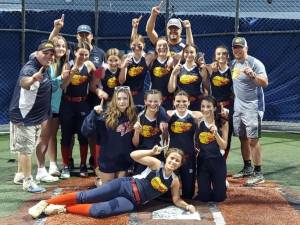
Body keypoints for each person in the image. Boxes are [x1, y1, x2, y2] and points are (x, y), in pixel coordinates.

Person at [28, 145, 196, 219]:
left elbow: (176, 199)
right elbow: (134, 156)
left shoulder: (174, 181)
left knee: (99, 212)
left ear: (180, 165)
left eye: (177, 161)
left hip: (132, 202)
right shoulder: (156, 164)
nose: (173, 162)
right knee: (88, 196)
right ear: (167, 158)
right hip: (124, 185)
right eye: (172, 158)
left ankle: (63, 208)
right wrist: (151, 152)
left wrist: (186, 206)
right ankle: (45, 203)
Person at [9, 41, 55, 192]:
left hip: (35, 115)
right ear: (37, 53)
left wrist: (56, 29)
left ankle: (20, 175)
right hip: (24, 115)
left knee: (26, 147)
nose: (48, 56)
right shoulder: (30, 68)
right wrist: (34, 79)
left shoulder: (43, 63)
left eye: (51, 54)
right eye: (45, 53)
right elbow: (24, 82)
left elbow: (47, 45)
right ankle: (28, 182)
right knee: (26, 150)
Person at [59, 41, 107, 179]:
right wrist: (71, 74)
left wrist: (101, 73)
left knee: (83, 135)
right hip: (68, 103)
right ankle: (65, 165)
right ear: (75, 53)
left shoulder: (89, 64)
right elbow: (63, 87)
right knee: (66, 136)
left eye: (86, 54)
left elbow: (98, 76)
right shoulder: (68, 65)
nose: (83, 57)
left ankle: (83, 165)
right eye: (81, 54)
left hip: (83, 103)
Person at [230, 37, 268, 186]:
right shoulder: (233, 64)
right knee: (243, 137)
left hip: (253, 106)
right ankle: (247, 167)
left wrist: (253, 76)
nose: (237, 50)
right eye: (235, 47)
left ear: (246, 48)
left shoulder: (254, 63)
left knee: (253, 140)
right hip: (238, 107)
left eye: (240, 47)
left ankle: (258, 173)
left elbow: (264, 83)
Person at [81, 86, 137, 184]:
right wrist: (93, 113)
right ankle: (99, 181)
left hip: (124, 160)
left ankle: (101, 178)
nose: (122, 102)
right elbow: (86, 131)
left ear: (129, 100)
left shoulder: (134, 113)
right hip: (108, 159)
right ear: (114, 100)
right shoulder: (105, 115)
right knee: (107, 189)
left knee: (120, 187)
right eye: (119, 99)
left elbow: (152, 107)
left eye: (125, 98)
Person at [166, 90, 202, 199]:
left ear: (189, 102)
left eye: (184, 101)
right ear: (173, 102)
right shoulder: (167, 115)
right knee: (168, 195)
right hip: (172, 158)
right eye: (178, 101)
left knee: (188, 194)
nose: (181, 104)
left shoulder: (196, 116)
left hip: (188, 157)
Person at [194, 96, 228, 202]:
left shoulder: (223, 123)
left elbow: (224, 146)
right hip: (203, 162)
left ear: (214, 108)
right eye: (203, 106)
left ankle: (222, 184)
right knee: (204, 198)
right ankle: (207, 187)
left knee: (219, 198)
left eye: (209, 106)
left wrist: (216, 133)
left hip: (217, 161)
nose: (205, 109)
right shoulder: (198, 122)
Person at [46, 35, 70, 178]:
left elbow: (63, 87)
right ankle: (51, 164)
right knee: (48, 136)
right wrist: (62, 77)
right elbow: (52, 85)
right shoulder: (49, 64)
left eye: (63, 46)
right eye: (58, 45)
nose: (61, 48)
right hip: (48, 106)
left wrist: (68, 76)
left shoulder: (65, 64)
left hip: (61, 105)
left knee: (58, 135)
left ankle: (64, 163)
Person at [132, 89, 168, 174]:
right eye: (150, 101)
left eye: (156, 101)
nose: (152, 104)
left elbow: (167, 141)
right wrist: (136, 132)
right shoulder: (139, 117)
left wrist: (165, 130)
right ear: (145, 101)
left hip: (158, 155)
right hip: (143, 155)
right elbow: (135, 144)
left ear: (160, 101)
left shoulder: (163, 116)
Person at [207, 45, 234, 159]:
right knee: (212, 133)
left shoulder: (232, 71)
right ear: (214, 56)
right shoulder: (210, 69)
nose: (221, 56)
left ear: (227, 56)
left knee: (226, 135)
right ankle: (212, 160)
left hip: (228, 106)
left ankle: (223, 162)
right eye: (218, 54)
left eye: (224, 53)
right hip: (214, 107)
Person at [168, 44, 209, 110]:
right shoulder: (179, 68)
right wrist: (173, 74)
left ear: (196, 54)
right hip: (182, 104)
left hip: (197, 103)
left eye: (191, 52)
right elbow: (170, 90)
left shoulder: (200, 69)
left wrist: (204, 73)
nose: (189, 54)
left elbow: (207, 89)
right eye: (186, 52)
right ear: (183, 54)